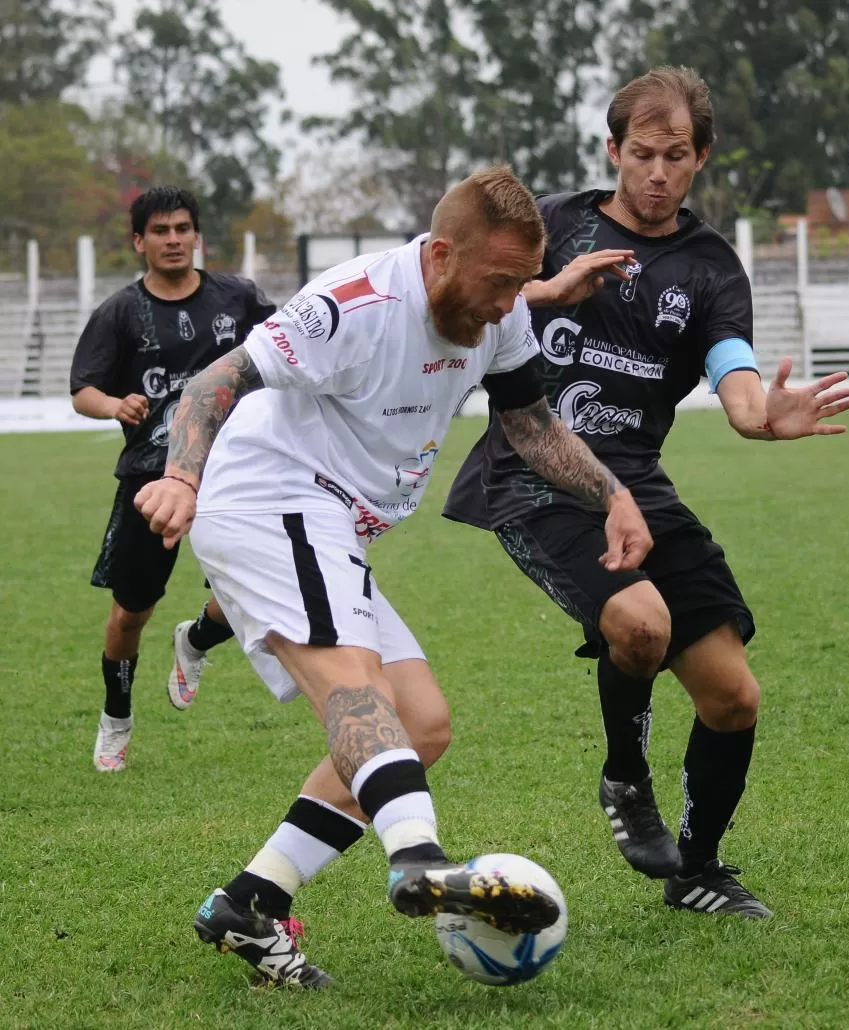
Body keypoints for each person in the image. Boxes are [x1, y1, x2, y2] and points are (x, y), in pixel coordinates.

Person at [134, 166, 653, 987]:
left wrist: (612, 494)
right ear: (441, 256)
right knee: (357, 691)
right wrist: (181, 479)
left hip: (330, 522)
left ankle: (251, 901)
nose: (509, 302)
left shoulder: (504, 312)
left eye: (524, 283)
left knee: (421, 722)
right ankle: (419, 859)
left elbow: (531, 425)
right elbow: (213, 383)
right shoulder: (353, 305)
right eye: (498, 282)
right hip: (269, 495)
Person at [443, 68, 849, 919]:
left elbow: (734, 377)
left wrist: (758, 414)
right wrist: (542, 292)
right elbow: (454, 300)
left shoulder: (708, 268)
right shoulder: (551, 224)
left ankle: (697, 870)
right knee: (640, 622)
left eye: (676, 156)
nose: (657, 172)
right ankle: (626, 779)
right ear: (611, 150)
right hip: (531, 477)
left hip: (638, 485)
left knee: (733, 698)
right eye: (641, 153)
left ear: (701, 159)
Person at [70, 186, 277, 772]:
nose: (173, 239)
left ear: (196, 235)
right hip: (150, 479)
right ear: (139, 241)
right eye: (159, 231)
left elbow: (287, 346)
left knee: (259, 587)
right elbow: (82, 389)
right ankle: (117, 717)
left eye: (182, 228)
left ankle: (197, 640)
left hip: (235, 470)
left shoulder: (238, 297)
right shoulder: (118, 312)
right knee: (131, 613)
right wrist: (114, 406)